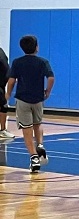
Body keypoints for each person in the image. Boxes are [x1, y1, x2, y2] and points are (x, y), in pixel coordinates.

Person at [6, 35, 55, 173]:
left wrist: (8, 94)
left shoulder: (17, 62)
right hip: (38, 99)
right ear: (37, 47)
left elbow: (11, 81)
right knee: (37, 124)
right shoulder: (43, 62)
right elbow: (51, 77)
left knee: (26, 129)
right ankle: (40, 145)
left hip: (22, 99)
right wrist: (48, 91)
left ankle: (34, 157)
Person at [0, 48, 15, 139]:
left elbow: (6, 68)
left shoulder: (1, 51)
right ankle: (2, 130)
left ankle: (2, 130)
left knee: (3, 105)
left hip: (2, 84)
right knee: (4, 106)